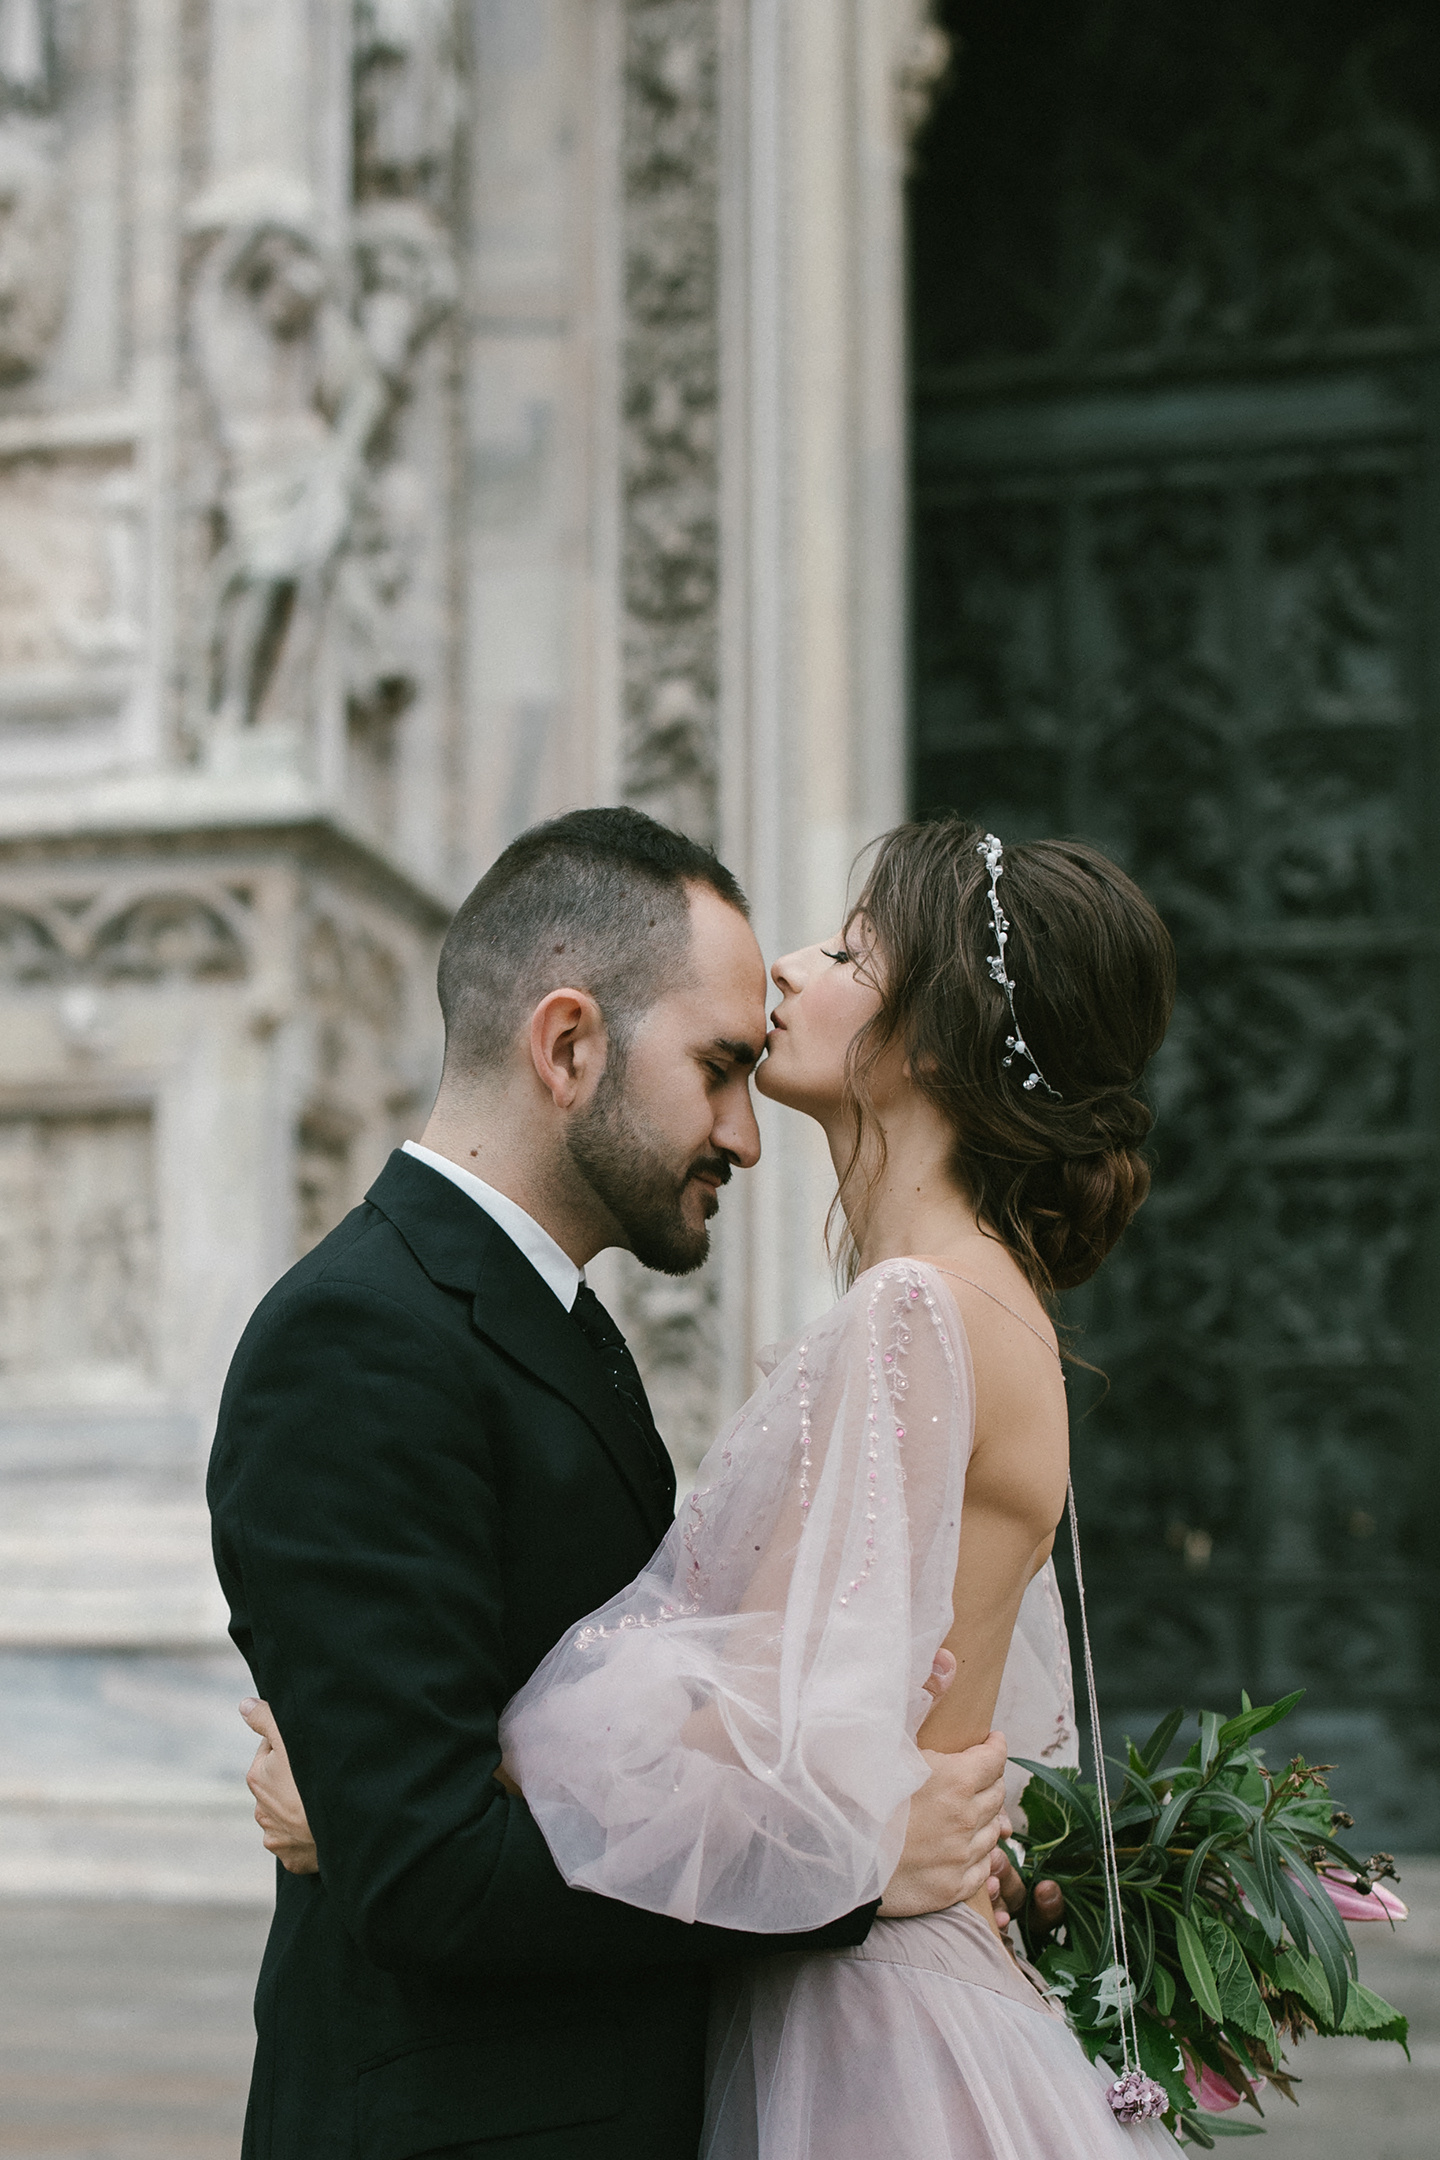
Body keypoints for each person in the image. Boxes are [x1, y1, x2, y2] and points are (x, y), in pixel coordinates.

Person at [208, 808, 1017, 2160]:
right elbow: (435, 1880)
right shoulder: (354, 1339)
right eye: (717, 1070)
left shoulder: (552, 1320)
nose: (744, 1137)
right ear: (568, 1044)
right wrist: (852, 1869)